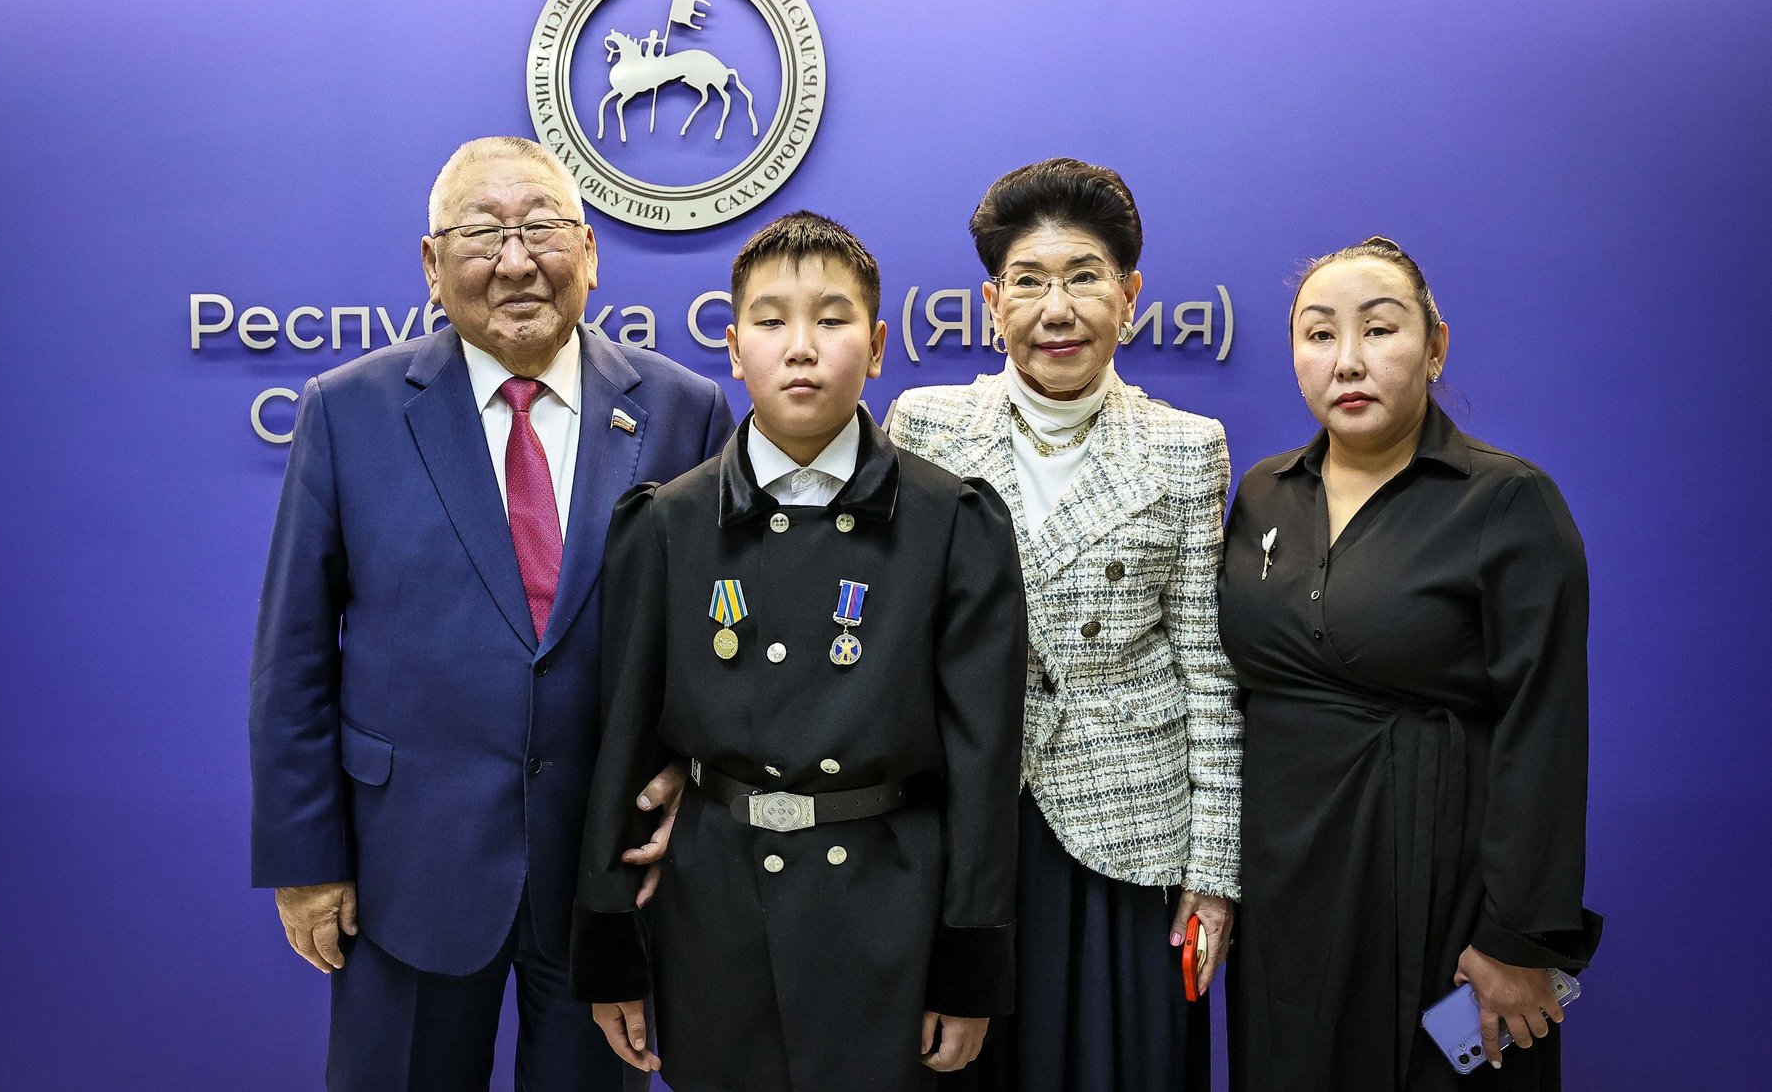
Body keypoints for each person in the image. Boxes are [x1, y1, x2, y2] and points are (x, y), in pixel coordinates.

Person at [248, 135, 733, 1090]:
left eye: (541, 228)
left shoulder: (685, 411)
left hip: (608, 870)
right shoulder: (348, 411)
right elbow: (294, 653)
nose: (516, 260)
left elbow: (719, 645)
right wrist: (305, 860)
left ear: (589, 253)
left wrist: (697, 773)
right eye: (481, 233)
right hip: (408, 867)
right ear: (432, 267)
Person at [570, 211, 1030, 1092]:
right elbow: (623, 743)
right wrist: (608, 935)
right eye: (772, 321)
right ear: (735, 349)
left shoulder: (953, 523)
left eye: (832, 318)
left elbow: (983, 765)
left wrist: (971, 958)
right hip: (714, 917)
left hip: (888, 917)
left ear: (880, 343)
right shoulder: (667, 524)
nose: (803, 347)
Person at [886, 157, 1241, 1091]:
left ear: (1128, 297)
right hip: (967, 821)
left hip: (1130, 835)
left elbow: (1208, 668)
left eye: (1085, 278)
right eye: (1031, 282)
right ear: (993, 301)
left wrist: (1214, 873)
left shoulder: (1186, 447)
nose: (1058, 309)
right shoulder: (926, 427)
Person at [1218, 237, 1602, 1090]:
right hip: (1286, 890)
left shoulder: (1506, 502)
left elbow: (1545, 728)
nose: (1347, 360)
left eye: (1379, 330)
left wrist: (1520, 940)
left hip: (1437, 883)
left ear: (1435, 347)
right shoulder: (1261, 493)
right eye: (1318, 335)